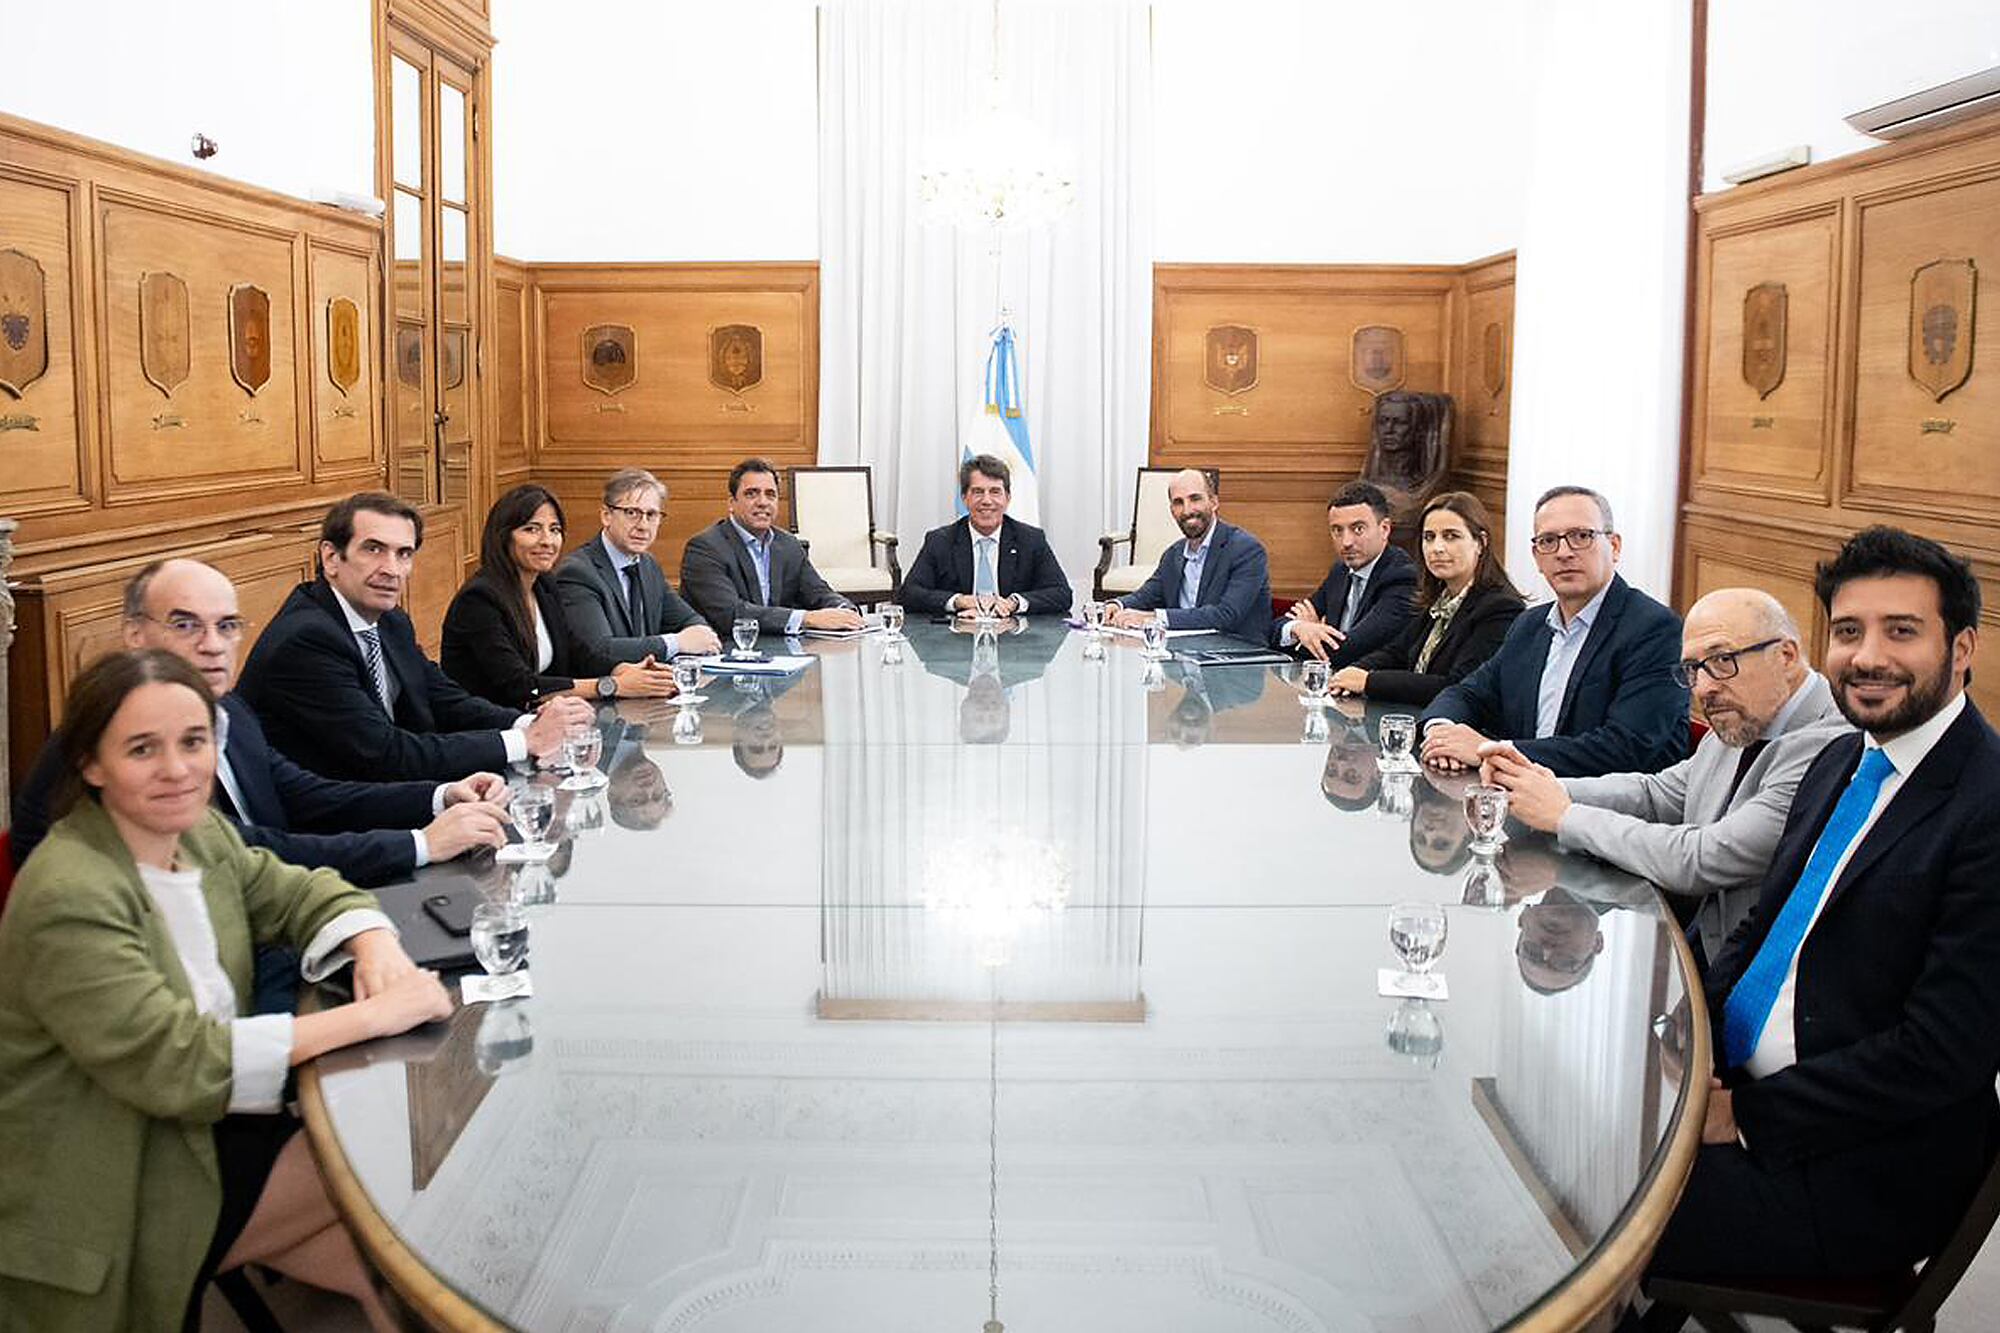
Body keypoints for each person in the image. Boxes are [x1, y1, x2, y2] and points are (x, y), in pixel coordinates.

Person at [0, 649, 454, 1330]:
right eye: (142, 749)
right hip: (110, 1168)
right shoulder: (69, 890)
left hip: (198, 1121)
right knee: (400, 1159)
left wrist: (376, 944)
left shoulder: (198, 831)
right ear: (90, 763)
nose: (179, 769)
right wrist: (377, 1012)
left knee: (392, 1191)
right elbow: (181, 1061)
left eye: (194, 741)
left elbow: (300, 889)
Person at [1646, 527, 2000, 1282]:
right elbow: (1761, 926)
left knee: (1588, 1196)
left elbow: (1942, 1053)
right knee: (1567, 1122)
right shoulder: (1843, 754)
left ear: (1962, 648)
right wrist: (1682, 1039)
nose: (1867, 656)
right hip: (1740, 1080)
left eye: (1901, 630)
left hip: (1861, 1163)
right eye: (1847, 631)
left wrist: (1743, 1117)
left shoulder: (1987, 804)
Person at [11, 559, 512, 888]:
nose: (212, 644)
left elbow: (307, 794)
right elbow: (248, 852)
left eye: (226, 626)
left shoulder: (229, 712)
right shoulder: (112, 745)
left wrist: (440, 796)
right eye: (186, 625)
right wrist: (421, 843)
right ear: (135, 636)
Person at [1484, 588, 1851, 965]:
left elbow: (1703, 858)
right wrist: (1540, 785)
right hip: (1700, 940)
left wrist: (1565, 816)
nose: (1704, 688)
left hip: (1762, 971)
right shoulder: (1747, 712)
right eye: (1693, 669)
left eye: (1723, 660)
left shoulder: (1830, 743)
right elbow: (1656, 793)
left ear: (1786, 656)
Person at [238, 492, 592, 781]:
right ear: (331, 557)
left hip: (386, 790)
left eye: (403, 554)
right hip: (330, 820)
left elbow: (443, 697)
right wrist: (521, 741)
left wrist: (529, 723)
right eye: (374, 549)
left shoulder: (391, 621)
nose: (391, 569)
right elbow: (384, 753)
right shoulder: (307, 640)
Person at [1419, 486, 1687, 777]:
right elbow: (1468, 693)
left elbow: (1626, 748)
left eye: (1581, 536)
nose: (1563, 553)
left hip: (1603, 812)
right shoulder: (1530, 625)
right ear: (1536, 557)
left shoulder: (1656, 630)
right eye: (1548, 541)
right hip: (1518, 798)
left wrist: (1490, 750)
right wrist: (1441, 733)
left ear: (1615, 546)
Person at [441, 484, 679, 710]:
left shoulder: (543, 584)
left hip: (544, 720)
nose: (546, 541)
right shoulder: (479, 600)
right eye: (531, 529)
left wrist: (624, 669)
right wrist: (612, 685)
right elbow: (523, 688)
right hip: (491, 731)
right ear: (503, 536)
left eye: (554, 530)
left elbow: (577, 652)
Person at [1330, 491, 1526, 706]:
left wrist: (1368, 681)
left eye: (1451, 536)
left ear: (1480, 542)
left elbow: (1457, 686)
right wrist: (1355, 670)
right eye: (1429, 537)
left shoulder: (1500, 608)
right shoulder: (1438, 598)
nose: (1437, 548)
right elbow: (1396, 652)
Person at [555, 467, 724, 672]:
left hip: (647, 687)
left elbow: (689, 620)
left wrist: (700, 634)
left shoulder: (647, 564)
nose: (643, 525)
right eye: (632, 513)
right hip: (598, 695)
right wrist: (675, 643)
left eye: (652, 515)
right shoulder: (578, 572)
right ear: (606, 515)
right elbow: (598, 651)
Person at [679, 458, 864, 640]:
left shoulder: (788, 544)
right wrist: (807, 618)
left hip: (778, 652)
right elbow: (732, 614)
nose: (762, 502)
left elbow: (818, 592)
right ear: (731, 503)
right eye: (751, 494)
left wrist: (844, 612)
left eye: (770, 494)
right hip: (722, 652)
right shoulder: (705, 549)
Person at [1108, 468, 1271, 642]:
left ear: (1214, 502)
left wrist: (1155, 618)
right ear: (1172, 510)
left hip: (1236, 658)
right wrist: (1117, 605)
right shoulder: (1173, 554)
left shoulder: (1246, 550)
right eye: (1178, 502)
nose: (1187, 510)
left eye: (1195, 499)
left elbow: (1226, 615)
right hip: (1182, 656)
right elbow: (1147, 595)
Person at [902, 454, 1073, 619]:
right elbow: (909, 593)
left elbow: (1061, 594)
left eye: (995, 492)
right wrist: (959, 601)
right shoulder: (940, 541)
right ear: (964, 498)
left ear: (1007, 498)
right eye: (978, 492)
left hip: (1013, 640)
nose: (986, 501)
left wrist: (1014, 603)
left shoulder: (1031, 539)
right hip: (957, 637)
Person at [1273, 481, 1417, 665]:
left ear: (1384, 529)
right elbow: (1275, 629)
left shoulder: (1402, 578)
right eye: (1337, 530)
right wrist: (1300, 627)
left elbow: (1347, 651)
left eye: (1358, 529)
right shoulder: (1340, 571)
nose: (1346, 542)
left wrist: (1312, 632)